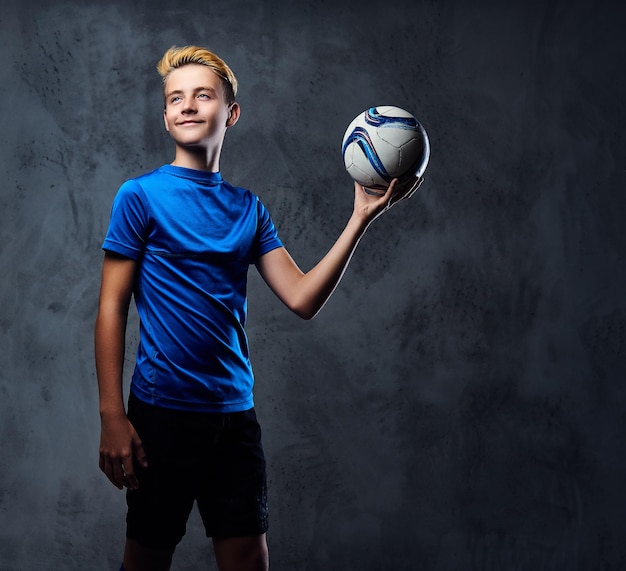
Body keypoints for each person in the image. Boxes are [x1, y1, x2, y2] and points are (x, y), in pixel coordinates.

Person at [94, 45, 422, 571]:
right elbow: (111, 307)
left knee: (248, 561)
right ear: (164, 115)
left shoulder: (248, 209)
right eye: (175, 98)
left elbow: (301, 298)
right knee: (147, 560)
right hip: (162, 416)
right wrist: (112, 414)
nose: (188, 105)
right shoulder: (139, 197)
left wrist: (361, 216)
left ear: (232, 112)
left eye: (204, 95)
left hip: (233, 418)